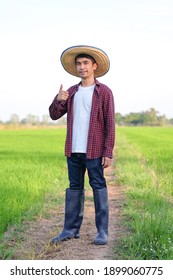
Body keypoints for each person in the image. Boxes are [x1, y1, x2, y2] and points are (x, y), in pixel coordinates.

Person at [49, 45, 115, 245]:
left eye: (86, 63)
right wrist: (58, 100)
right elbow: (54, 115)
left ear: (94, 66)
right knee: (74, 188)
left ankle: (102, 232)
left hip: (94, 150)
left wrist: (108, 150)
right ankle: (70, 230)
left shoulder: (104, 92)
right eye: (78, 64)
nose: (82, 67)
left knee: (98, 187)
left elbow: (110, 123)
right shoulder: (71, 92)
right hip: (74, 150)